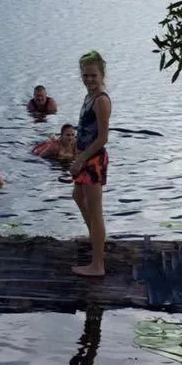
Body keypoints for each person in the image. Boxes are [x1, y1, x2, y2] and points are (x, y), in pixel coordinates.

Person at [70, 51, 111, 277]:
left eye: (93, 75)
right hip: (85, 157)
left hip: (93, 160)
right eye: (85, 75)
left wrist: (81, 159)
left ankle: (97, 265)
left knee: (96, 212)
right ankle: (96, 237)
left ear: (102, 75)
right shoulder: (89, 97)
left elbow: (102, 138)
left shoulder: (101, 101)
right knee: (78, 196)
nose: (89, 79)